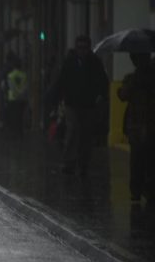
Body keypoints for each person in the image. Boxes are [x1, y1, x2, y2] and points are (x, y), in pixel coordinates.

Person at [51, 35, 109, 176]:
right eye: (79, 47)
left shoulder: (95, 63)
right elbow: (61, 81)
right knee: (73, 131)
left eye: (84, 48)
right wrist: (56, 99)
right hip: (72, 104)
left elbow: (103, 81)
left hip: (89, 105)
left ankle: (84, 164)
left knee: (86, 136)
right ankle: (68, 163)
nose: (82, 51)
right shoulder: (69, 62)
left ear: (88, 48)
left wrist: (101, 96)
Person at [117, 53, 155, 201]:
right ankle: (137, 190)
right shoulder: (132, 78)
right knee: (138, 160)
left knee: (148, 159)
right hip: (136, 125)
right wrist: (134, 82)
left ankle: (147, 189)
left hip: (149, 124)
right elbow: (122, 95)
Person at [4, 56, 28, 135]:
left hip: (13, 99)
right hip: (22, 99)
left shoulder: (10, 75)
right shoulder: (24, 75)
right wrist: (21, 94)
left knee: (14, 116)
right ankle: (20, 131)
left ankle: (14, 131)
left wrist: (15, 94)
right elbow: (25, 86)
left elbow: (11, 87)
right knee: (20, 116)